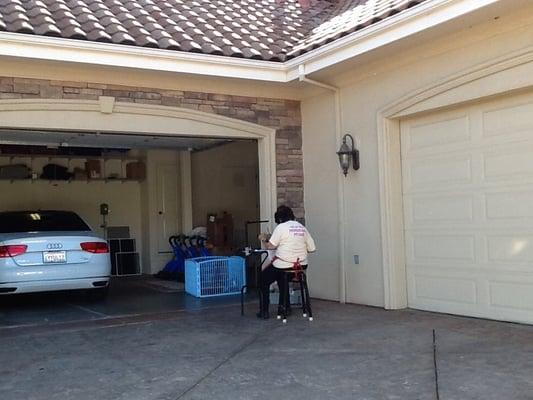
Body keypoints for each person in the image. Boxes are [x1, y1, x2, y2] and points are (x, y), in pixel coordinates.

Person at [257, 205, 316, 319]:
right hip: (300, 267)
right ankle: (285, 307)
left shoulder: (281, 227)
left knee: (263, 279)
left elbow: (271, 247)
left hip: (283, 265)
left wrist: (264, 239)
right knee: (282, 278)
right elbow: (312, 249)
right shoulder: (301, 227)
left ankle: (264, 311)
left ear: (279, 219)